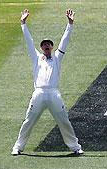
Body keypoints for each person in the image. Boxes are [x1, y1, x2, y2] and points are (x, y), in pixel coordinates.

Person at [11, 9, 83, 156]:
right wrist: (23, 24)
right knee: (28, 121)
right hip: (38, 93)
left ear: (52, 47)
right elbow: (29, 42)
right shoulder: (36, 57)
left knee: (64, 121)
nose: (46, 46)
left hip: (54, 93)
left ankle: (75, 147)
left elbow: (65, 41)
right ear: (41, 48)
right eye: (44, 45)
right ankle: (18, 147)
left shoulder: (57, 57)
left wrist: (70, 24)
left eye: (49, 45)